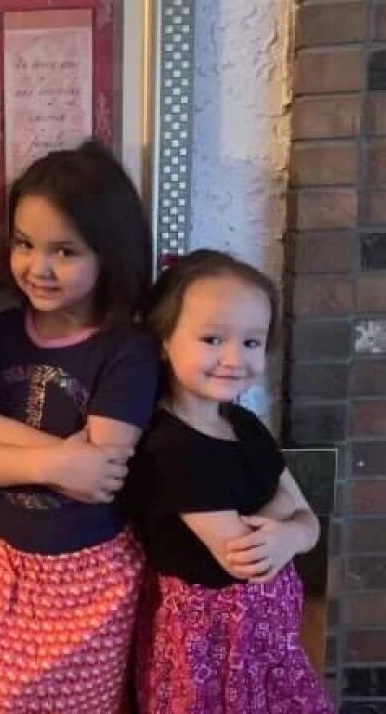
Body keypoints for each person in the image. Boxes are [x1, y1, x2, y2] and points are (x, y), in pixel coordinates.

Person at [0, 140, 159, 713]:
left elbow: (100, 472)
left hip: (90, 583)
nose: (38, 266)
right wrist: (53, 461)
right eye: (24, 243)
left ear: (109, 253)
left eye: (65, 251)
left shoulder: (127, 350)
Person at [130, 249, 333, 713]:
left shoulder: (243, 424)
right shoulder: (171, 448)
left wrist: (295, 531)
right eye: (211, 338)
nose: (232, 358)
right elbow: (245, 557)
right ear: (164, 339)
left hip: (267, 639)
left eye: (251, 342)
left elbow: (307, 516)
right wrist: (291, 526)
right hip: (211, 646)